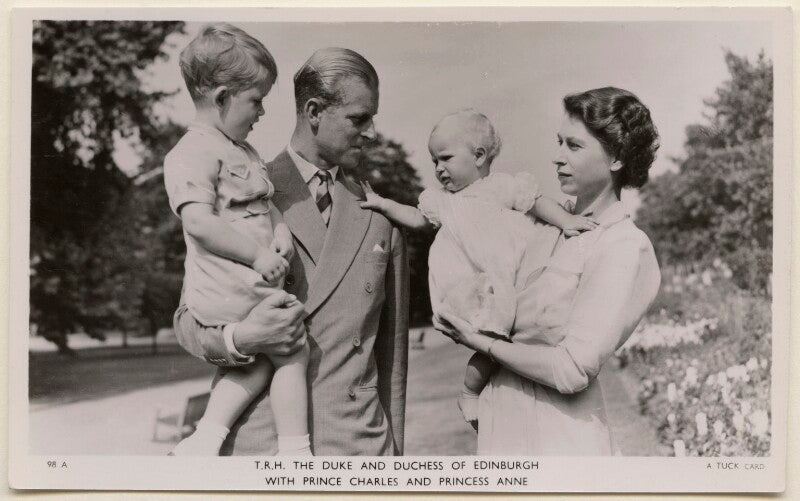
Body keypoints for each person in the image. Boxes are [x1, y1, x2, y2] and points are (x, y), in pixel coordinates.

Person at [172, 46, 410, 456]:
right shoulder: (238, 193)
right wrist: (242, 337)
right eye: (359, 118)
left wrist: (392, 463)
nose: (371, 132)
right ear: (314, 111)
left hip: (359, 449)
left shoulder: (380, 216)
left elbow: (393, 361)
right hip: (261, 449)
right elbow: (188, 321)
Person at [436, 87, 662, 455]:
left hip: (560, 439)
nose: (556, 158)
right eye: (558, 143)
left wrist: (479, 342)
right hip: (501, 428)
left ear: (617, 157)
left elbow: (571, 369)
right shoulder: (545, 225)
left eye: (573, 146)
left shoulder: (621, 245)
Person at [360, 109, 596, 425]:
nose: (438, 168)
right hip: (472, 284)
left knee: (516, 340)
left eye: (445, 158)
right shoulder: (443, 200)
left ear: (479, 155)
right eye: (434, 162)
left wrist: (566, 221)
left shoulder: (503, 187)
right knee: (491, 343)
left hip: (510, 279)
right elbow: (417, 219)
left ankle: (505, 396)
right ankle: (469, 392)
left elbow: (538, 203)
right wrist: (384, 204)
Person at [163, 24, 311, 456]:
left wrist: (280, 230)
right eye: (256, 101)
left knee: (268, 358)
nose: (262, 112)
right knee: (291, 351)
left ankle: (205, 438)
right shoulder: (191, 153)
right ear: (223, 97)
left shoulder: (243, 152)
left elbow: (265, 206)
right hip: (225, 290)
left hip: (247, 289)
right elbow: (200, 224)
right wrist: (258, 255)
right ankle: (296, 451)